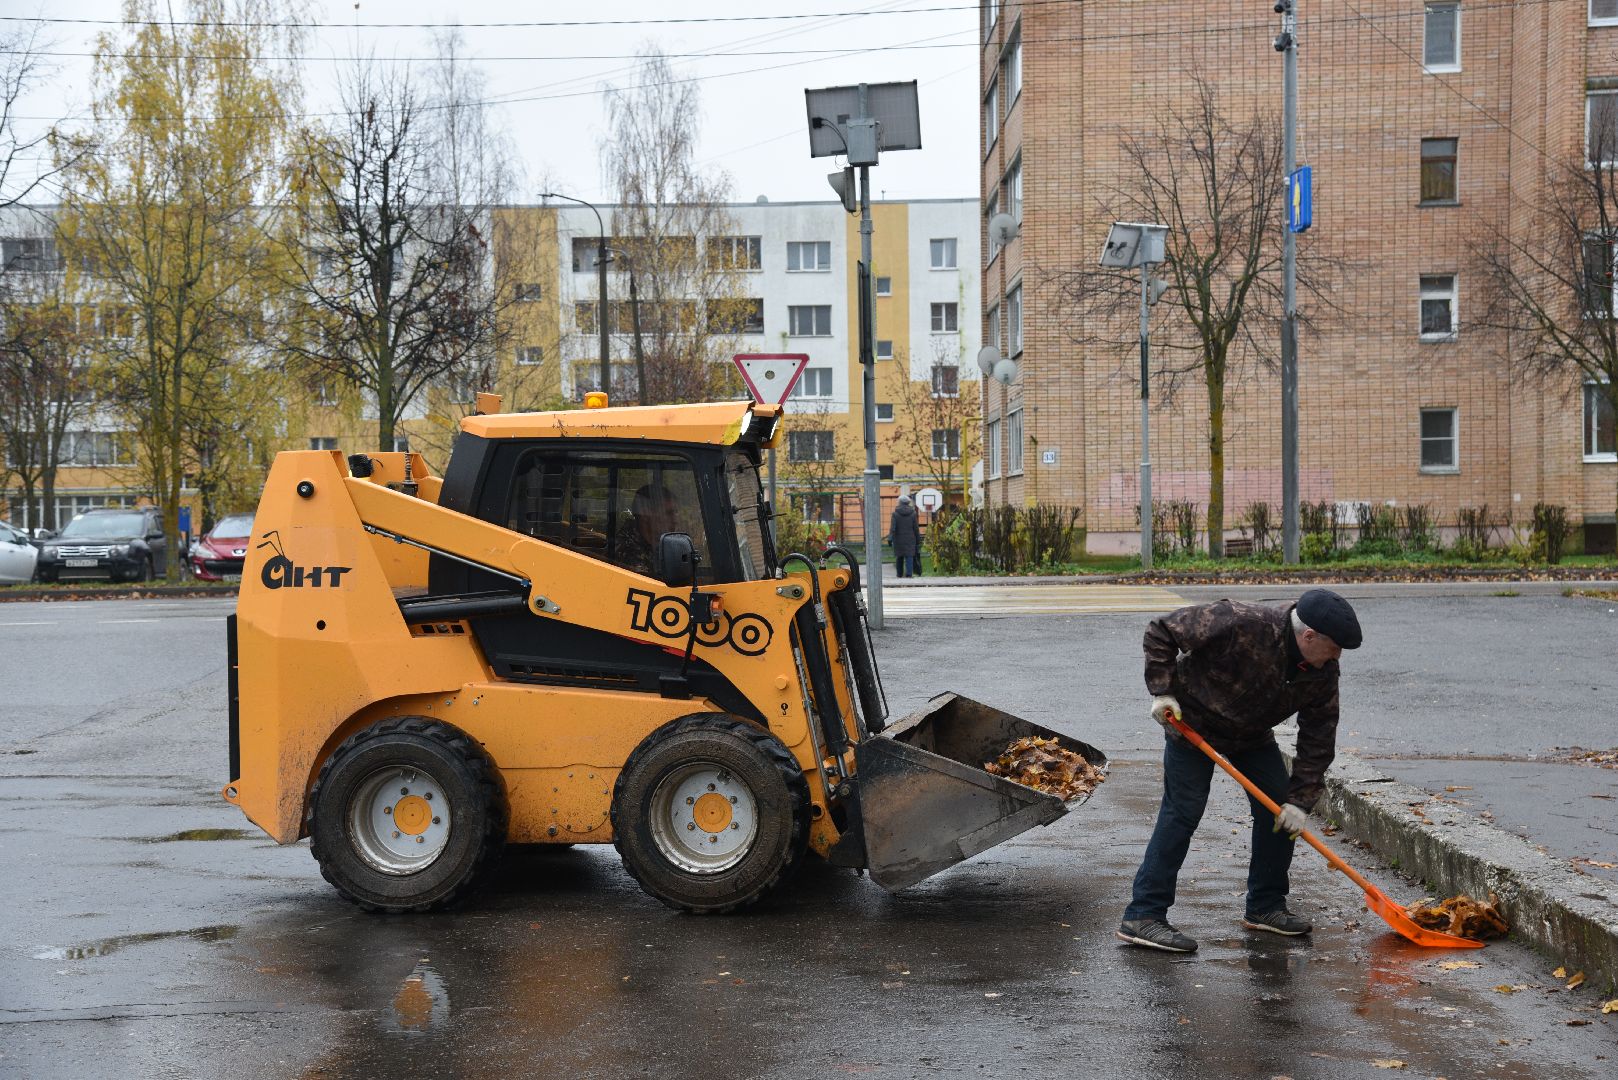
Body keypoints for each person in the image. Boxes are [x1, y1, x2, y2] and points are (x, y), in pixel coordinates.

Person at [1117, 588, 1363, 954]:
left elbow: (1319, 735)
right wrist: (1162, 691)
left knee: (1279, 810)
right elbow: (1162, 630)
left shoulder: (1321, 669)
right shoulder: (1241, 621)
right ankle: (1143, 915)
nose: (1337, 657)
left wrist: (1300, 800)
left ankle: (1265, 907)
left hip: (1250, 734)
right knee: (1183, 811)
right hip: (1193, 723)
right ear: (1308, 635)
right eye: (1334, 647)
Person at [616, 484, 678, 577]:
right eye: (668, 513)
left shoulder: (658, 544)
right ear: (645, 514)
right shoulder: (628, 551)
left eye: (675, 512)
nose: (675, 520)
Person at [889, 495, 922, 578]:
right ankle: (909, 575)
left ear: (899, 502)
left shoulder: (895, 514)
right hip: (910, 539)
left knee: (899, 557)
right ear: (908, 503)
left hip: (898, 539)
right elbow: (916, 528)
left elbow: (893, 528)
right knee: (909, 557)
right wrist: (918, 540)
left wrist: (890, 538)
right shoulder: (913, 513)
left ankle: (899, 574)